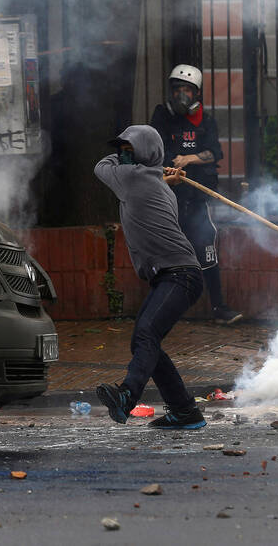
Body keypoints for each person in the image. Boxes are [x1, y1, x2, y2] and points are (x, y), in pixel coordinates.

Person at [93, 125, 208, 430]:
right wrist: (155, 170)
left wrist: (141, 167)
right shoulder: (161, 187)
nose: (122, 156)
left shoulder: (133, 178)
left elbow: (100, 166)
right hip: (178, 275)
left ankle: (126, 396)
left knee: (146, 334)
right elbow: (148, 181)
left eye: (129, 150)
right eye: (121, 151)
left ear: (145, 154)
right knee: (145, 340)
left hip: (179, 275)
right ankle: (184, 410)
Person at [149, 64, 243, 324]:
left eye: (187, 89)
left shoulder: (206, 120)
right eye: (177, 88)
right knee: (168, 253)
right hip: (170, 197)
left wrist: (189, 158)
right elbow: (156, 149)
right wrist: (172, 163)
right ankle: (160, 311)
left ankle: (219, 308)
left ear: (196, 93)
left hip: (198, 197)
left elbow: (215, 153)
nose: (181, 94)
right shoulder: (162, 116)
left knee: (206, 247)